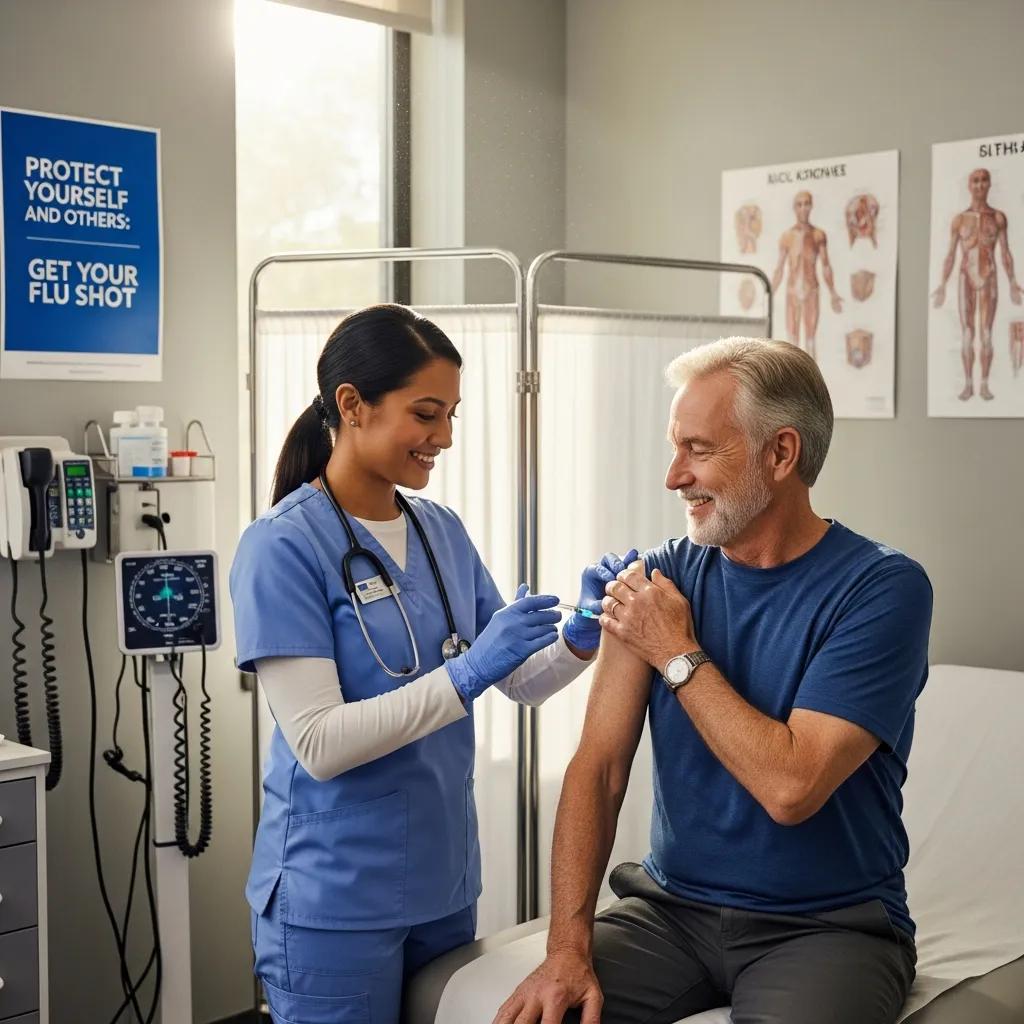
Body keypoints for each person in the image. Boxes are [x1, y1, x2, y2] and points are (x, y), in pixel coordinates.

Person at [496, 337, 932, 1024]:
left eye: (697, 449)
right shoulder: (658, 580)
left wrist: (675, 651)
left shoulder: (882, 589)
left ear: (780, 454)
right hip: (668, 914)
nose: (674, 476)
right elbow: (599, 768)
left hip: (828, 928)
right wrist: (566, 949)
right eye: (675, 448)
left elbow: (791, 789)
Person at [230, 304, 633, 1024]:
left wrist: (581, 632)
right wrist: (468, 673)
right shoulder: (282, 546)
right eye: (425, 414)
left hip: (441, 887)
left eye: (450, 415)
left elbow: (520, 680)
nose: (443, 437)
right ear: (352, 405)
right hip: (334, 897)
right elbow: (319, 743)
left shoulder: (439, 530)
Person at [932, 167, 1023, 402]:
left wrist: (1013, 282)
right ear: (969, 185)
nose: (980, 185)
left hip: (989, 275)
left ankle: (984, 384)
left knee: (986, 333)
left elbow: (1005, 252)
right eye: (975, 181)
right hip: (966, 277)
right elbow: (951, 255)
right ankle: (968, 384)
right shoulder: (960, 220)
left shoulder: (998, 218)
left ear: (989, 184)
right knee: (967, 333)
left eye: (984, 180)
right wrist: (942, 285)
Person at [771, 191, 843, 361]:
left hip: (811, 290)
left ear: (811, 206)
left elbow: (826, 265)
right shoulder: (787, 236)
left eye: (806, 204)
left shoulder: (818, 235)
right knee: (791, 343)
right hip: (792, 291)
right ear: (794, 208)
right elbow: (779, 268)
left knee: (810, 341)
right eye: (799, 204)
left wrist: (833, 293)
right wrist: (769, 294)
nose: (803, 208)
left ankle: (811, 378)